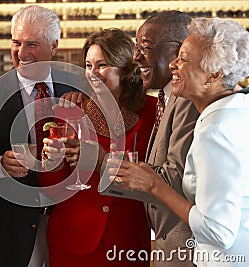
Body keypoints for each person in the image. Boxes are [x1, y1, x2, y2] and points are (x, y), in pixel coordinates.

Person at [112, 17, 249, 266]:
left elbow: (217, 230)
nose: (174, 64)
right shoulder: (239, 108)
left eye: (184, 58)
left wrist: (155, 185)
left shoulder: (214, 131)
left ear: (214, 74)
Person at [0, 5, 79, 267]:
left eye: (32, 44)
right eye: (16, 42)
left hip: (69, 227)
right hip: (10, 234)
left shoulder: (75, 88)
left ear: (54, 46)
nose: (22, 52)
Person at [41, 28, 156, 266]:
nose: (93, 74)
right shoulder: (69, 110)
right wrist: (50, 162)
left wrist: (101, 160)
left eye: (102, 65)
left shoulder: (153, 112)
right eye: (88, 65)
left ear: (125, 68)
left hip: (128, 243)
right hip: (72, 241)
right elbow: (52, 190)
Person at [132, 11, 199, 267]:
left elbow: (175, 180)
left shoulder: (188, 100)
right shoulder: (165, 97)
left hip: (186, 250)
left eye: (145, 48)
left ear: (178, 51)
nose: (136, 57)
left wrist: (107, 164)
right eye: (136, 48)